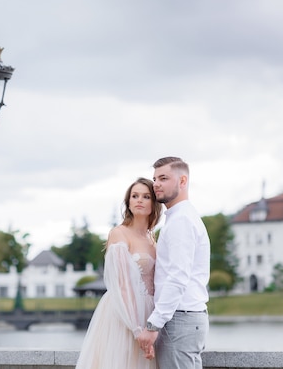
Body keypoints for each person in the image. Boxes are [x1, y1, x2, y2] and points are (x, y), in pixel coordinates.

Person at [75, 177, 163, 369]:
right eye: (135, 196)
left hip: (149, 313)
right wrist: (136, 328)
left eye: (146, 196)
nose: (139, 200)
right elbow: (121, 284)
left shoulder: (152, 239)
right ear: (128, 202)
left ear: (154, 203)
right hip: (124, 314)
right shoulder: (119, 233)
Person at [137, 157, 211, 368]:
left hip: (180, 319)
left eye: (163, 178)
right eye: (154, 179)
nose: (156, 184)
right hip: (184, 319)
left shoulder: (182, 221)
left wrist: (153, 326)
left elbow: (178, 277)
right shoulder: (179, 218)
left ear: (182, 181)